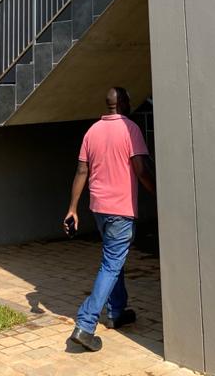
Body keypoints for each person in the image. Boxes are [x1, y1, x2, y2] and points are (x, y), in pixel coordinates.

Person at [64, 86, 155, 352]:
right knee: (112, 264)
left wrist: (72, 208)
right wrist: (160, 195)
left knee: (114, 259)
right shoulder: (130, 129)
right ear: (124, 102)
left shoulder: (92, 131)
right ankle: (85, 324)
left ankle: (117, 311)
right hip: (120, 209)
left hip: (99, 209)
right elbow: (141, 169)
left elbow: (81, 170)